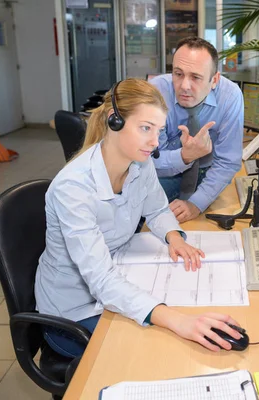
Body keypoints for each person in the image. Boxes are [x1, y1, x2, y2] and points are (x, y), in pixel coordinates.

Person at [35, 78, 242, 358]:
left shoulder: (139, 163)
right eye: (145, 128)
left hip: (118, 274)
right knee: (159, 351)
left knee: (170, 336)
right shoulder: (73, 188)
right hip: (74, 313)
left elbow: (157, 209)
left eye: (158, 130)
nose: (154, 142)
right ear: (114, 121)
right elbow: (100, 280)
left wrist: (173, 237)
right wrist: (178, 321)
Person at [150, 37, 244, 223]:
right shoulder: (156, 92)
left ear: (214, 79)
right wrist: (185, 156)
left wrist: (196, 204)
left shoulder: (230, 96)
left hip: (208, 173)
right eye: (178, 74)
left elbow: (227, 162)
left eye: (195, 77)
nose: (184, 85)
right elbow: (148, 160)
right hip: (163, 173)